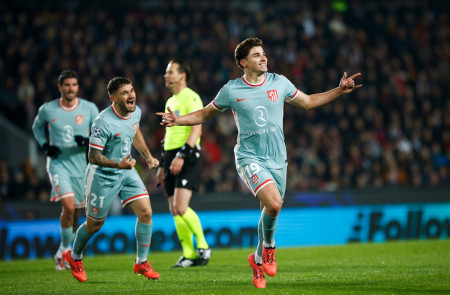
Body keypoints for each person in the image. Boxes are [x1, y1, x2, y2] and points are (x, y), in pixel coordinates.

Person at [157, 37, 362, 288]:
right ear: (243, 62)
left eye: (263, 54)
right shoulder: (232, 90)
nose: (263, 57)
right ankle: (269, 247)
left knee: (271, 209)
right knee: (274, 203)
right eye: (256, 55)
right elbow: (204, 114)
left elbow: (308, 102)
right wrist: (177, 120)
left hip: (278, 159)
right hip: (249, 158)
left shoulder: (279, 82)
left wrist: (339, 91)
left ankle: (256, 260)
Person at [64, 77, 160, 282]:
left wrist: (148, 157)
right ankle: (74, 257)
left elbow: (134, 131)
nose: (131, 95)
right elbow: (93, 157)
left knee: (146, 212)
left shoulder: (136, 112)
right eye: (124, 93)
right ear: (113, 98)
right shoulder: (103, 122)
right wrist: (118, 165)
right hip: (102, 176)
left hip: (126, 171)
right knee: (94, 225)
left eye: (132, 90)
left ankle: (141, 262)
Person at [32, 69, 99, 271]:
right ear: (60, 87)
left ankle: (66, 249)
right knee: (69, 207)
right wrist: (44, 145)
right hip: (57, 163)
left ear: (78, 87)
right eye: (67, 85)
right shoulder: (48, 109)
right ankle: (64, 251)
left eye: (74, 85)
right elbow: (37, 128)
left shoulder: (89, 108)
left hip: (80, 165)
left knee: (77, 211)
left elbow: (100, 132)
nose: (71, 89)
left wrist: (87, 140)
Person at [156, 59, 211, 268]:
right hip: (170, 155)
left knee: (180, 206)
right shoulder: (170, 101)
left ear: (182, 75)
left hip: (186, 153)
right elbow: (168, 134)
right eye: (166, 72)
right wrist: (163, 163)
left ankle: (204, 247)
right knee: (174, 209)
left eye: (170, 72)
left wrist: (182, 154)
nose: (166, 76)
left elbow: (197, 129)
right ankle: (188, 254)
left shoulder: (192, 97)